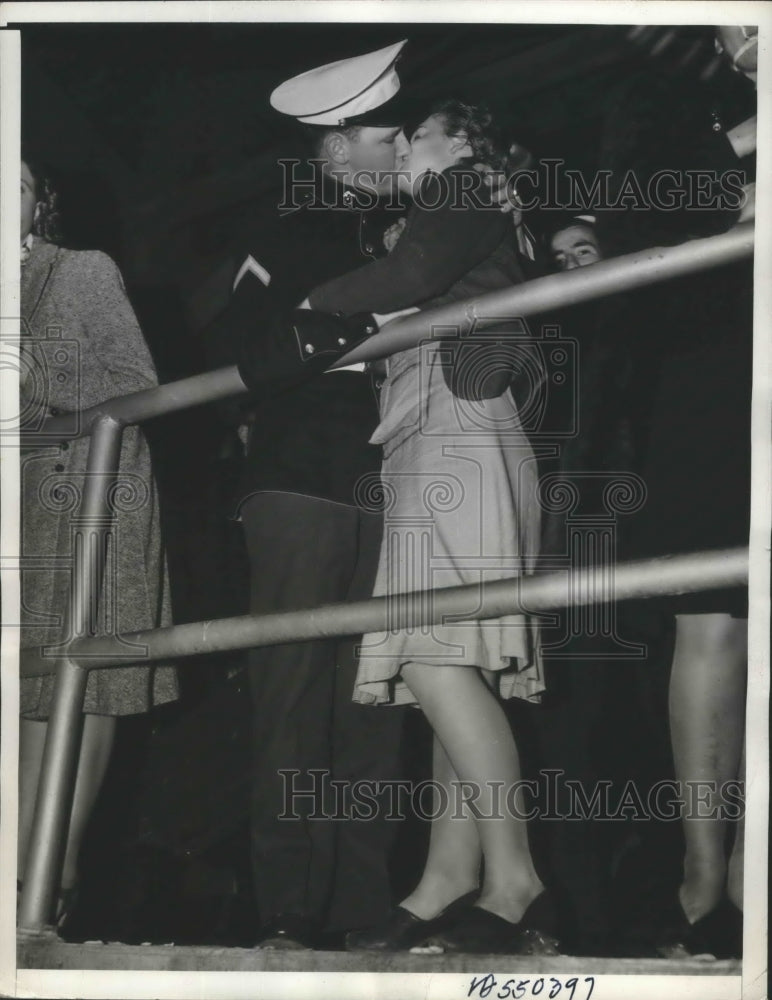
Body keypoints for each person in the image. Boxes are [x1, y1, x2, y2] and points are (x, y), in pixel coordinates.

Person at [305, 99, 556, 955]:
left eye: (418, 132)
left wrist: (307, 307)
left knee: (427, 651)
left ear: (464, 144)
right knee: (450, 659)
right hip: (440, 430)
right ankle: (448, 876)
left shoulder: (462, 190)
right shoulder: (454, 207)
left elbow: (408, 277)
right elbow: (409, 277)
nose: (404, 145)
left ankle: (515, 877)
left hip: (457, 430)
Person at [202, 41, 416, 950]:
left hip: (396, 479)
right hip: (302, 474)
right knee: (292, 695)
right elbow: (235, 337)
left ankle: (365, 911)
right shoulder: (285, 220)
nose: (402, 143)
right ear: (336, 149)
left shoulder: (429, 216)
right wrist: (364, 319)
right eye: (385, 132)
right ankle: (289, 907)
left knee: (376, 701)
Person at [595, 31, 754, 957]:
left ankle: (749, 874)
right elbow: (632, 214)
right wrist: (738, 180)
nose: (742, 37)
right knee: (713, 617)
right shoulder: (658, 99)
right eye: (729, 24)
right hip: (714, 369)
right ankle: (703, 880)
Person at [17, 156, 178, 928]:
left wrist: (22, 366)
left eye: (10, 184)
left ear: (37, 206)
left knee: (80, 684)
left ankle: (44, 885)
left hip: (84, 502)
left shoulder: (78, 272)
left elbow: (134, 381)